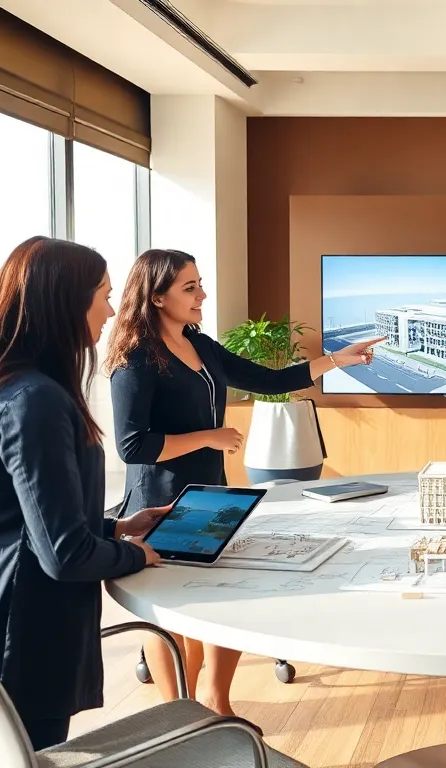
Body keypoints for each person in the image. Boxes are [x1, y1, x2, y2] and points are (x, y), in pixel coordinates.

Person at [105, 248, 381, 722]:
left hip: (213, 494)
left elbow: (269, 381)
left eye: (199, 284)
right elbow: (133, 446)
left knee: (218, 602)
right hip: (161, 503)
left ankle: (216, 703)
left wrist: (336, 360)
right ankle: (178, 715)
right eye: (189, 287)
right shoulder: (135, 360)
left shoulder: (202, 345)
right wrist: (209, 436)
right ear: (155, 297)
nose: (202, 295)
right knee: (170, 613)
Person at [0, 237, 170, 750]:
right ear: (64, 303)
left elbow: (7, 519)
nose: (109, 309)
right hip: (20, 641)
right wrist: (135, 555)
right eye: (102, 294)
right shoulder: (35, 401)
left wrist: (115, 527)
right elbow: (62, 556)